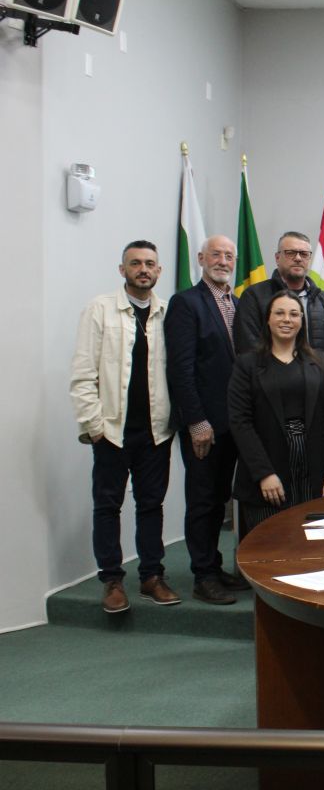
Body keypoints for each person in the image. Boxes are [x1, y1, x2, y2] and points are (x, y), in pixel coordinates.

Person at [69, 240, 180, 613]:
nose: (143, 269)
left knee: (151, 504)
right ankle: (112, 580)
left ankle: (151, 576)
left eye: (150, 263)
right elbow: (83, 374)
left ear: (159, 271)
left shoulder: (168, 313)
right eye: (135, 263)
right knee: (108, 505)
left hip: (156, 430)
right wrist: (95, 425)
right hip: (112, 431)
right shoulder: (100, 310)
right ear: (123, 270)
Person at [164, 235, 251, 605]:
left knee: (220, 500)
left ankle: (215, 566)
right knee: (202, 499)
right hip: (205, 424)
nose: (223, 260)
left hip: (234, 422)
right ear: (201, 258)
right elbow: (181, 369)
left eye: (229, 256)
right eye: (216, 254)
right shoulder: (186, 303)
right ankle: (203, 575)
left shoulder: (239, 303)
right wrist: (196, 421)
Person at [228, 291, 324, 533]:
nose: (287, 319)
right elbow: (240, 422)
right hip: (269, 467)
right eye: (279, 313)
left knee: (314, 545)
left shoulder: (322, 362)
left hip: (314, 468)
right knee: (271, 544)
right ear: (268, 320)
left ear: (302, 321)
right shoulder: (247, 364)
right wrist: (264, 473)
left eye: (294, 314)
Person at [232, 231, 324, 380]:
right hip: (270, 391)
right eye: (290, 253)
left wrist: (323, 382)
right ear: (277, 258)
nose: (298, 258)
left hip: (319, 391)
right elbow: (248, 346)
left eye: (304, 254)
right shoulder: (254, 296)